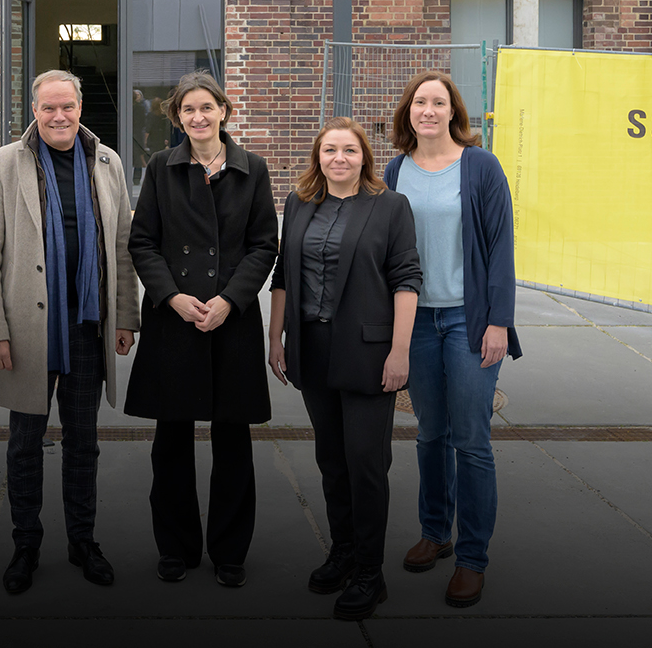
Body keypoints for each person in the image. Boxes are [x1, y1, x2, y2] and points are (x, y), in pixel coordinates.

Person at [0, 70, 140, 595]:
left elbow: (121, 245)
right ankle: (26, 545)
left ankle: (82, 542)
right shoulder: (4, 164)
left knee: (83, 441)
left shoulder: (106, 161)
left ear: (81, 106)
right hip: (26, 329)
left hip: (88, 326)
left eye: (67, 107)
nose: (59, 116)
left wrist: (125, 315)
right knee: (24, 443)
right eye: (49, 108)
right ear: (35, 110)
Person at [126, 71, 278, 588]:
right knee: (171, 441)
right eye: (188, 110)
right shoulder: (160, 168)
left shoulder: (251, 169)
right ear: (177, 117)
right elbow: (142, 242)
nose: (198, 117)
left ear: (223, 112)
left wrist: (230, 300)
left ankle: (230, 551)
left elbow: (264, 245)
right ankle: (176, 547)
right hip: (176, 320)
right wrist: (171, 296)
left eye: (206, 108)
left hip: (230, 320)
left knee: (232, 440)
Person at [267, 118, 421, 621]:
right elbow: (284, 276)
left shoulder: (390, 206)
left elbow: (406, 279)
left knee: (366, 464)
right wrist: (275, 337)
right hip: (311, 347)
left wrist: (400, 352)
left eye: (349, 151)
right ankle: (343, 550)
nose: (339, 158)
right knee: (332, 460)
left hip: (368, 353)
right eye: (329, 150)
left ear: (364, 157)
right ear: (317, 157)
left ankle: (370, 574)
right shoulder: (299, 203)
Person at [383, 70, 522, 608]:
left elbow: (502, 245)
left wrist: (498, 321)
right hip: (415, 321)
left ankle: (471, 559)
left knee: (472, 439)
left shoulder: (480, 166)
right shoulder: (395, 170)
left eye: (439, 102)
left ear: (453, 112)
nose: (429, 111)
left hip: (469, 320)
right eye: (420, 102)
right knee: (429, 434)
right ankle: (435, 532)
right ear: (408, 112)